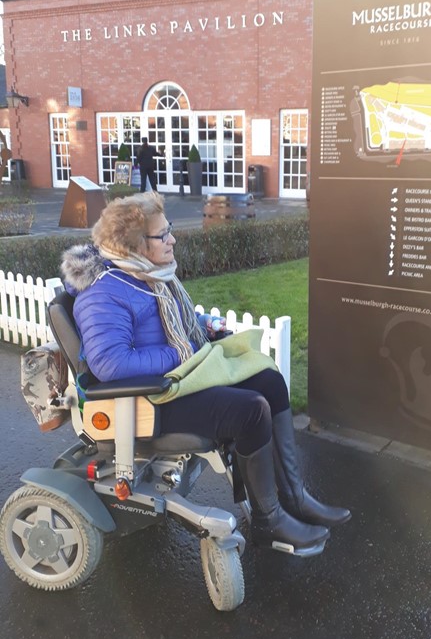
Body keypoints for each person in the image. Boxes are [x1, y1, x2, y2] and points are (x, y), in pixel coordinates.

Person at [60, 192, 350, 554]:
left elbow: (171, 322)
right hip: (148, 400)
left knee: (269, 379)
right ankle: (268, 520)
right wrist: (180, 352)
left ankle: (293, 496)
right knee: (250, 410)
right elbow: (110, 364)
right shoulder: (103, 293)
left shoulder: (144, 274)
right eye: (162, 235)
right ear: (133, 245)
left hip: (175, 380)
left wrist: (204, 326)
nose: (172, 239)